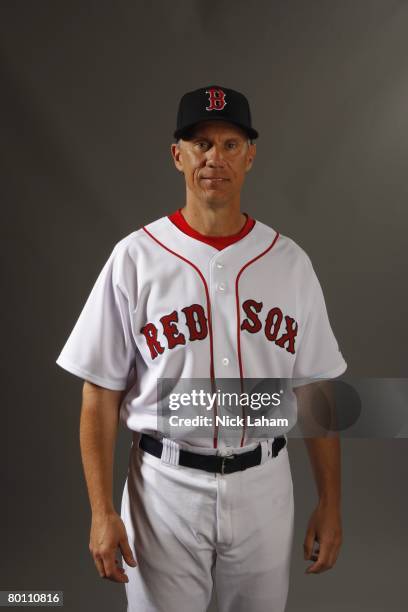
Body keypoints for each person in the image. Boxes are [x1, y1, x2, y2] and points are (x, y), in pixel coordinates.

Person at [56, 85, 346, 612]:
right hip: (163, 491)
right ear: (178, 155)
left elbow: (315, 389)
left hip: (265, 487)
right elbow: (98, 394)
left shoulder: (290, 262)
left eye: (231, 144)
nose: (215, 158)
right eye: (201, 143)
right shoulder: (135, 258)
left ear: (251, 156)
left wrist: (331, 502)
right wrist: (101, 512)